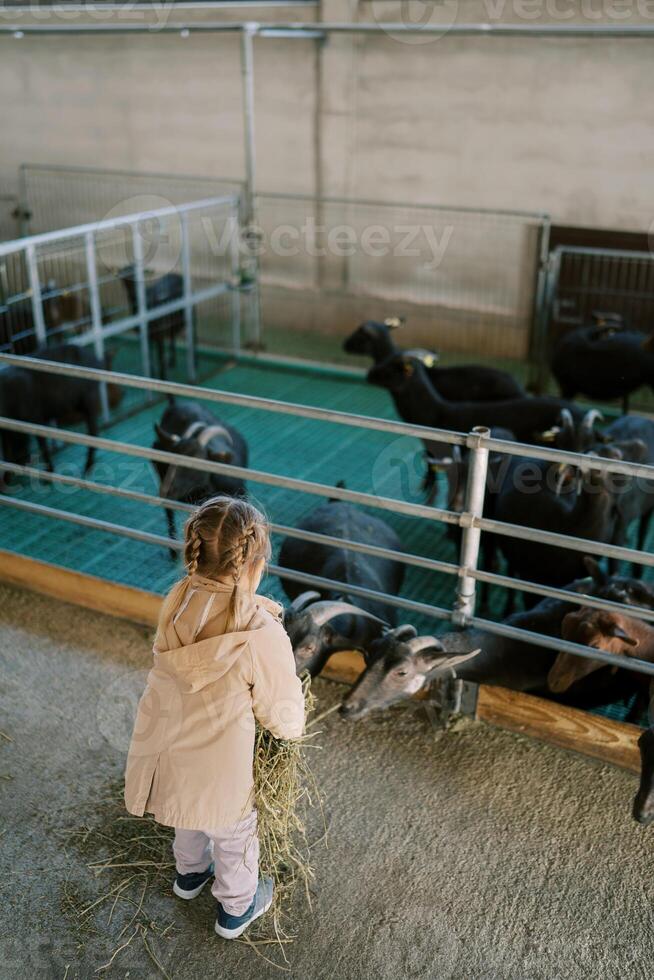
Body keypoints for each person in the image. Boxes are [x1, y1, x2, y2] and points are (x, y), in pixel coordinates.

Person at [124, 495, 305, 939]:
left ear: (196, 550)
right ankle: (236, 908)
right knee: (235, 829)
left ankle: (189, 875)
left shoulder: (178, 600)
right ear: (254, 561)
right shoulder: (260, 633)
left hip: (168, 739)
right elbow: (282, 708)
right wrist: (288, 733)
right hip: (222, 760)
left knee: (188, 808)